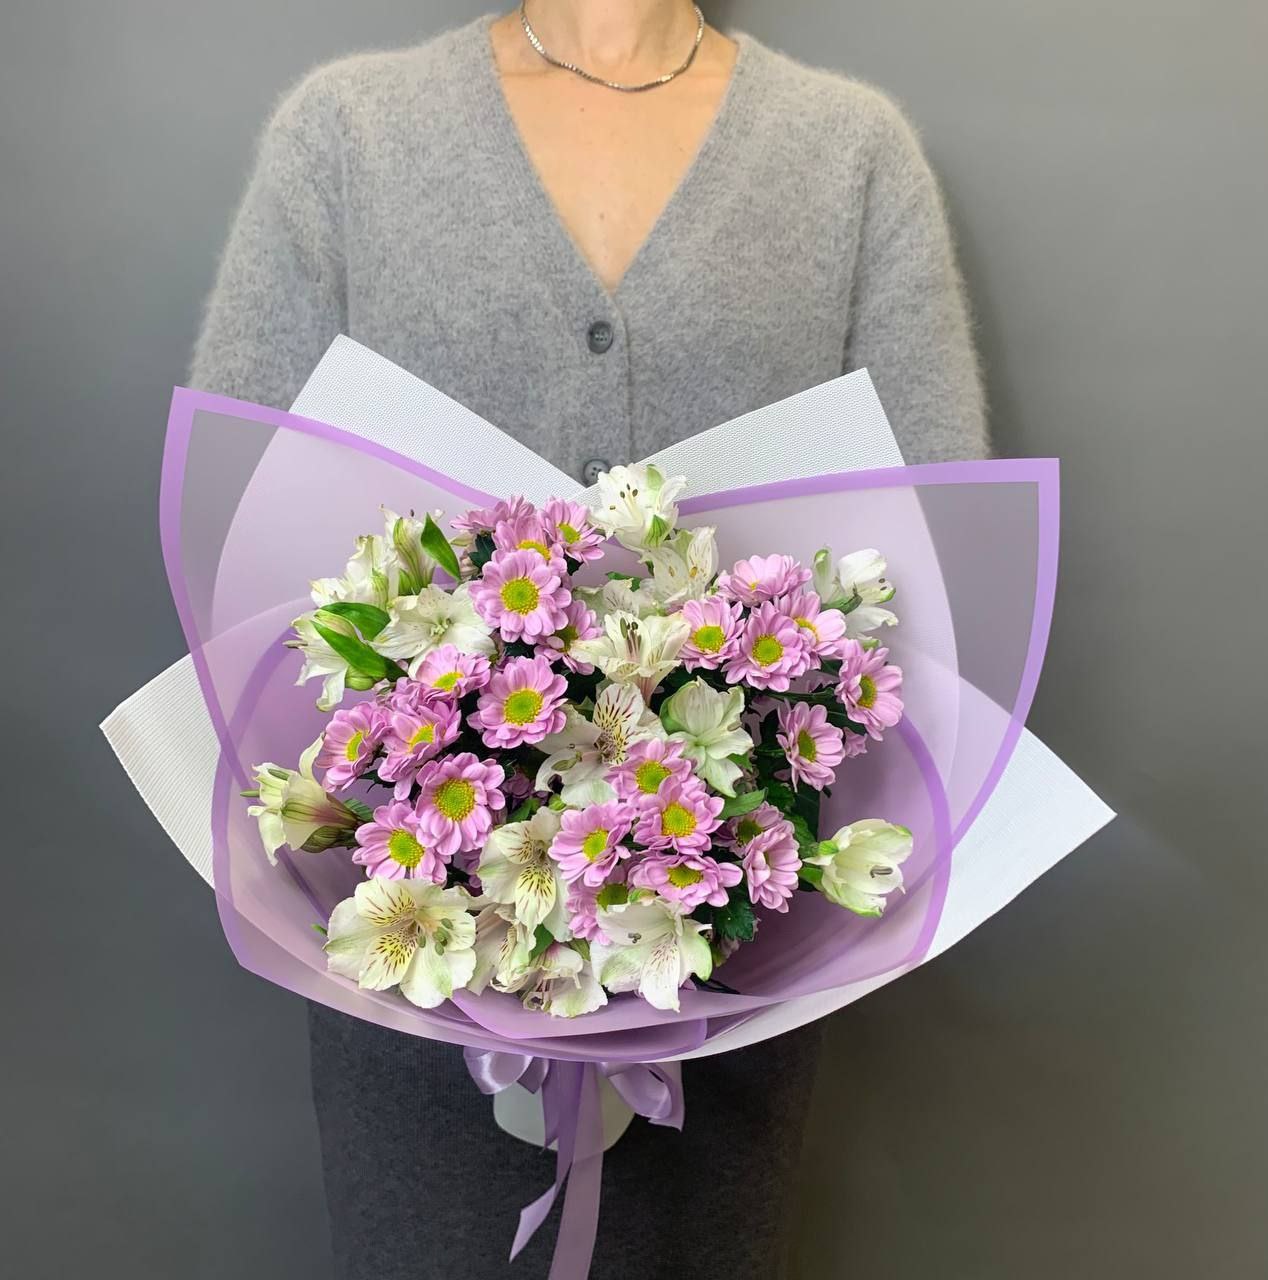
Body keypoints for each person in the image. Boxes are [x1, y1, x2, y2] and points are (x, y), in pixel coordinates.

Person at [190, 4, 986, 1276]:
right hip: (408, 947)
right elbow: (248, 532)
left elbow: (929, 548)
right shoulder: (345, 137)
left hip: (727, 958)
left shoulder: (847, 155)